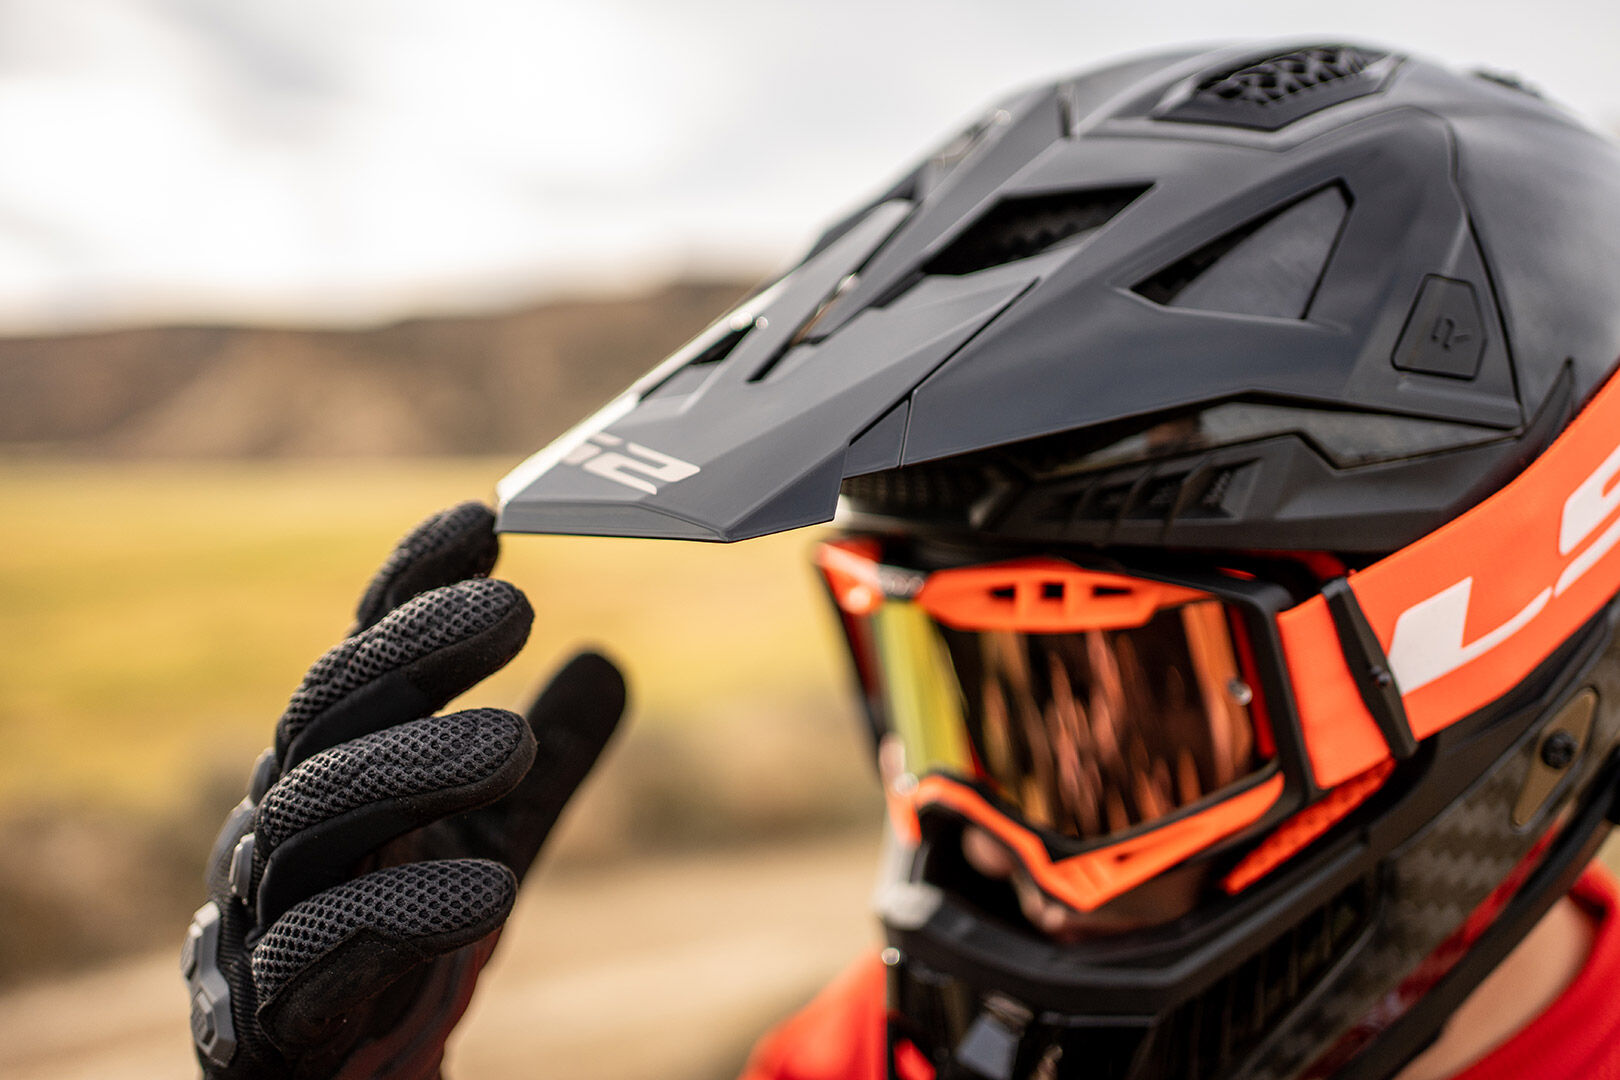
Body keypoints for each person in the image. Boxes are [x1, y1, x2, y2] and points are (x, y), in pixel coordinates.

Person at [182, 41, 1620, 1080]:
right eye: (945, 698)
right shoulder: (867, 1055)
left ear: (1481, 642)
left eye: (1107, 736)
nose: (983, 848)